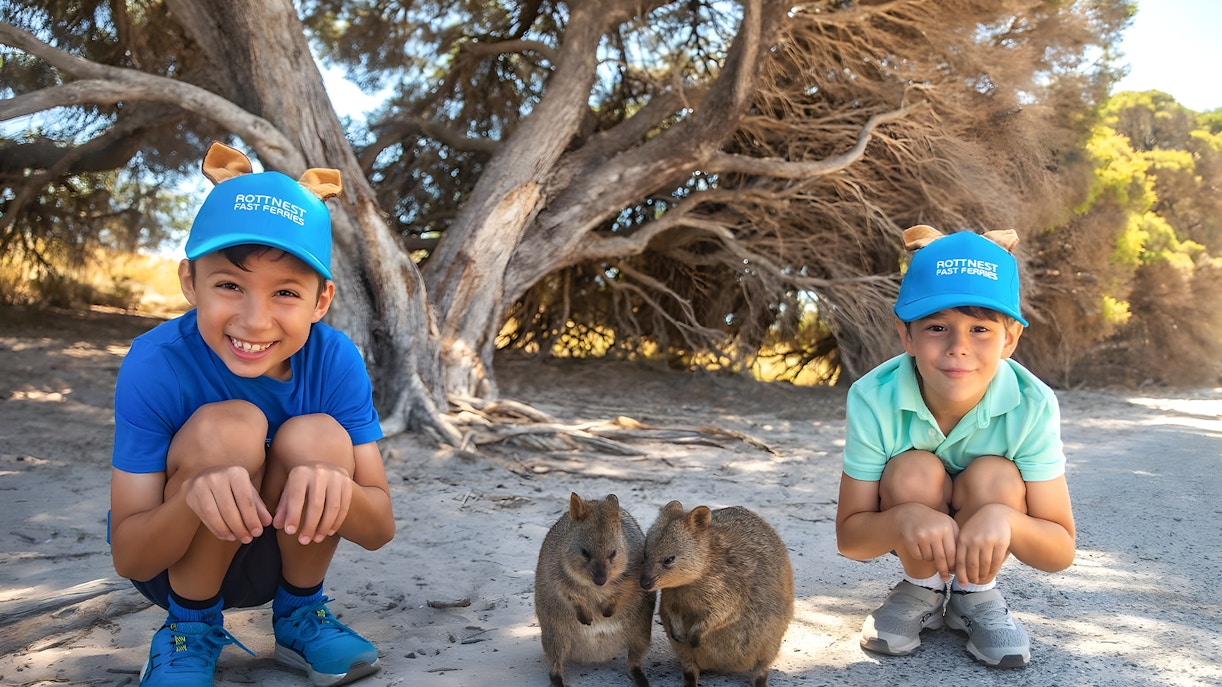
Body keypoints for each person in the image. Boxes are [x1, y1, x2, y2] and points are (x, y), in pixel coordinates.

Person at [109, 142, 395, 687]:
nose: (254, 319)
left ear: (321, 300)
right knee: (232, 425)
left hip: (281, 558)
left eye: (285, 292)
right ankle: (188, 631)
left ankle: (300, 616)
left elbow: (378, 526)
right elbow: (132, 556)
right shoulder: (156, 363)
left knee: (319, 437)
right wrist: (194, 496)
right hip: (174, 559)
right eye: (229, 286)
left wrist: (335, 484)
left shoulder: (335, 361)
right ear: (190, 282)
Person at [835, 225, 1076, 669]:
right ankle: (920, 586)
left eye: (980, 328)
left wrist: (1006, 521)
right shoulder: (873, 396)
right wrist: (905, 518)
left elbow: (1060, 548)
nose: (958, 348)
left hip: (984, 524)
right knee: (913, 470)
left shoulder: (1033, 403)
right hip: (912, 525)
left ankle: (974, 595)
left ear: (1010, 339)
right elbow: (851, 537)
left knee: (995, 476)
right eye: (937, 326)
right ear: (906, 335)